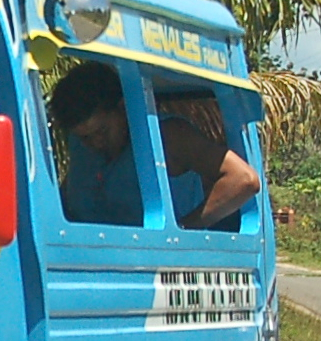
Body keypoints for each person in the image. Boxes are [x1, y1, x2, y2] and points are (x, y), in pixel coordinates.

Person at [46, 61, 262, 231]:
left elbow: (243, 180)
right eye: (85, 138)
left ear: (123, 108)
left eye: (101, 131)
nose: (95, 143)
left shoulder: (169, 135)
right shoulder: (82, 149)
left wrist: (182, 231)